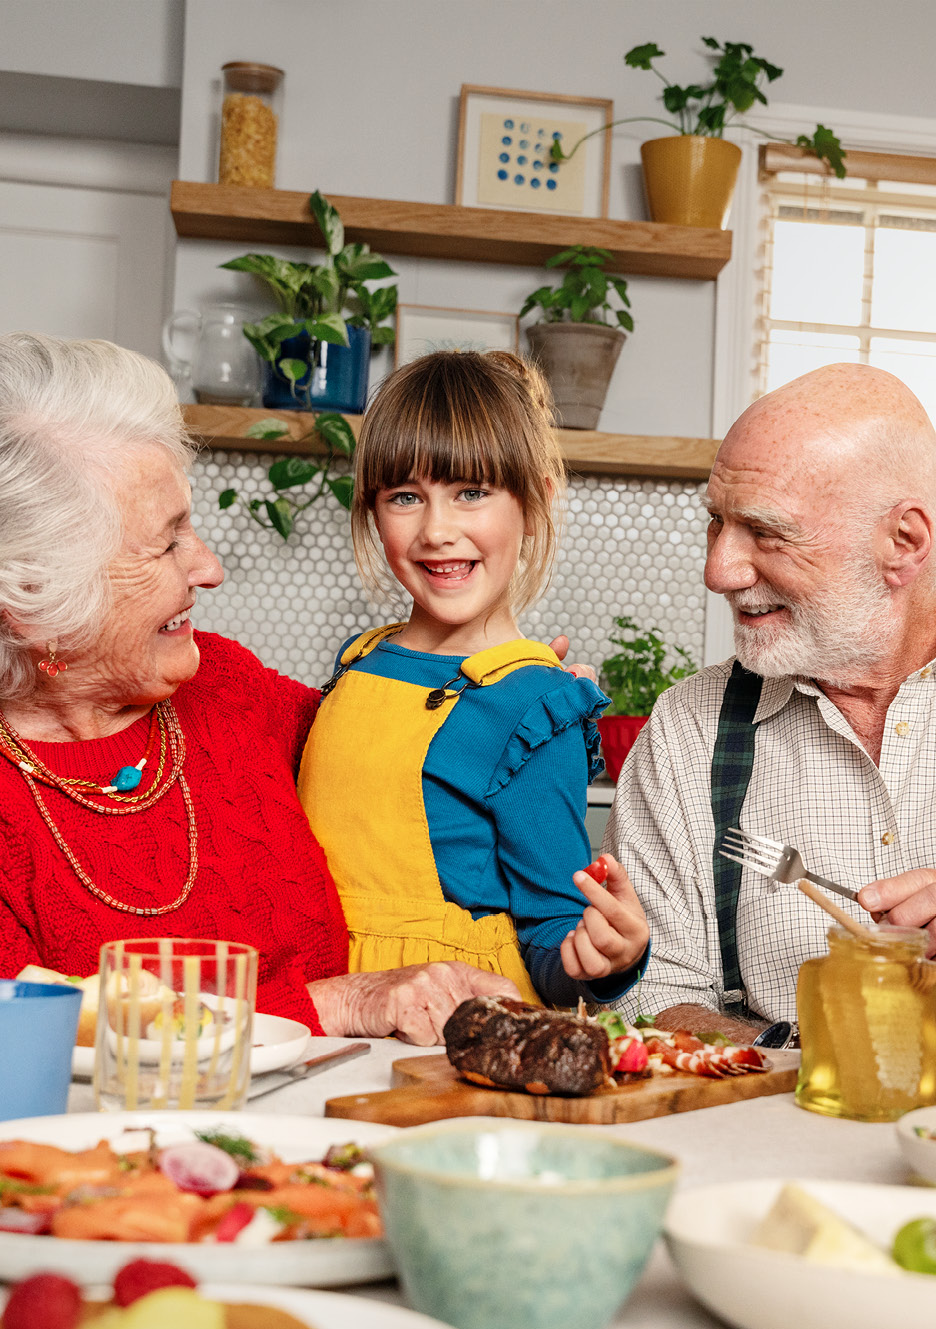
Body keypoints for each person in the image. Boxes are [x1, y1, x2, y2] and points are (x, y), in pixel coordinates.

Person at [0, 330, 531, 1045]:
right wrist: (338, 1005)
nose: (209, 567)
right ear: (35, 606)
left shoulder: (222, 683)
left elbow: (396, 760)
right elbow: (30, 1051)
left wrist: (512, 697)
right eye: (167, 543)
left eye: (192, 527)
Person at [297, 350, 650, 1008]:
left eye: (471, 492)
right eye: (405, 496)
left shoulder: (532, 705)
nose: (437, 530)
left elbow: (550, 930)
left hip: (455, 1028)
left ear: (534, 499)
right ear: (372, 510)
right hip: (332, 1002)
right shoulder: (358, 663)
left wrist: (598, 958)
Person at [601, 361, 936, 1042]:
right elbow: (651, 990)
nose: (718, 570)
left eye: (766, 530)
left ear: (903, 543)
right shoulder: (690, 729)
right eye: (717, 522)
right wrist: (797, 1055)